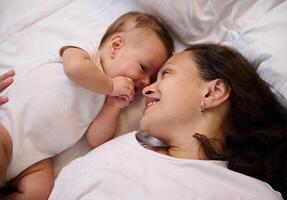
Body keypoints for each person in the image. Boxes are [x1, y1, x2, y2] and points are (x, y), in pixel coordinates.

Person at [50, 44, 287, 200]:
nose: (146, 90)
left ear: (213, 92)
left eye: (165, 74)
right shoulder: (117, 149)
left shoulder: (251, 195)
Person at [0, 12, 174, 199]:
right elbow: (74, 69)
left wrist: (113, 106)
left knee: (38, 193)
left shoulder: (106, 99)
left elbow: (94, 140)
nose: (146, 81)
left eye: (152, 78)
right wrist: (112, 86)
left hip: (36, 160)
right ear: (116, 46)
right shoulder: (87, 53)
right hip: (8, 128)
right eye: (144, 68)